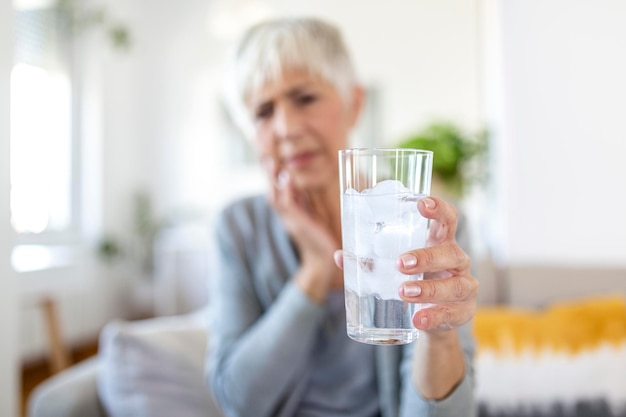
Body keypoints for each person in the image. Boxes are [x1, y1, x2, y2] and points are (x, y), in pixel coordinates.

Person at [206, 17, 479, 417]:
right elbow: (236, 401)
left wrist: (438, 338)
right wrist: (315, 270)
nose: (286, 127)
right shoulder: (239, 227)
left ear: (354, 104)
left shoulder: (428, 224)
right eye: (264, 111)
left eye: (304, 98)